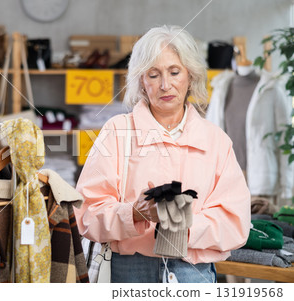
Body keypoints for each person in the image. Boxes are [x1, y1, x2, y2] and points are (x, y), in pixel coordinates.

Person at [74, 25, 251, 283]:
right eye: (154, 75)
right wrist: (133, 213)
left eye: (174, 72)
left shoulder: (216, 141)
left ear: (190, 76)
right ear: (142, 82)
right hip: (128, 273)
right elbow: (85, 214)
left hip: (193, 274)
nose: (165, 85)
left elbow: (236, 223)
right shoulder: (116, 131)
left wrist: (185, 226)